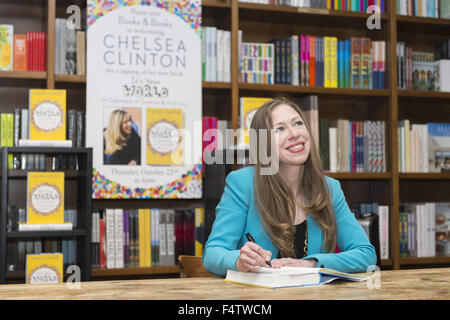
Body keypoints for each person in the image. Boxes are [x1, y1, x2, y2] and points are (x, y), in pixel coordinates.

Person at [202, 97, 376, 277]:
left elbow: (366, 254)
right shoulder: (242, 183)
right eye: (280, 129)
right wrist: (239, 260)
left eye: (298, 123)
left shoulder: (330, 188)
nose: (294, 133)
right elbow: (213, 253)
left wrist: (311, 263)